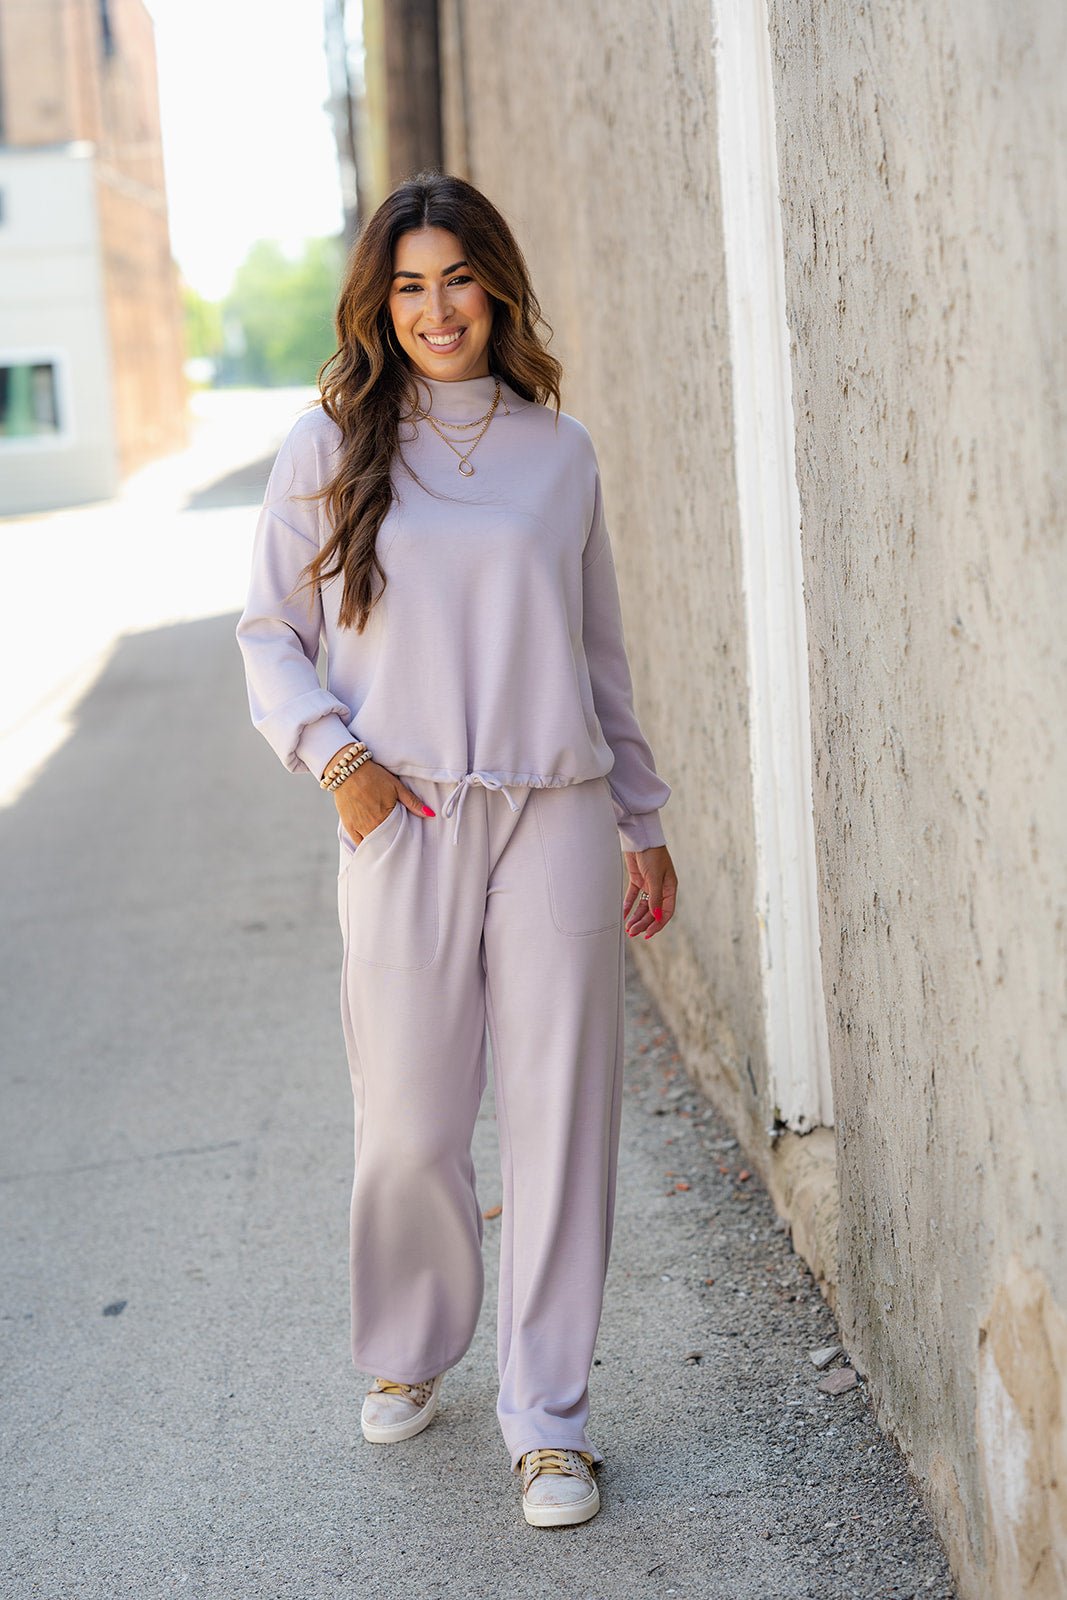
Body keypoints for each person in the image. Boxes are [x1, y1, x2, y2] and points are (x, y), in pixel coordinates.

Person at [235, 171, 678, 1528]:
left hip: (557, 809)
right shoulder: (327, 446)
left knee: (562, 1119)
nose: (438, 311)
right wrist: (338, 761)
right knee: (411, 1120)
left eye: (460, 280)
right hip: (404, 813)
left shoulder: (562, 452)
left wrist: (644, 819)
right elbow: (269, 636)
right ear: (381, 304)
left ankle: (549, 1424)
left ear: (498, 286)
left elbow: (599, 655)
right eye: (410, 286)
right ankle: (410, 1344)